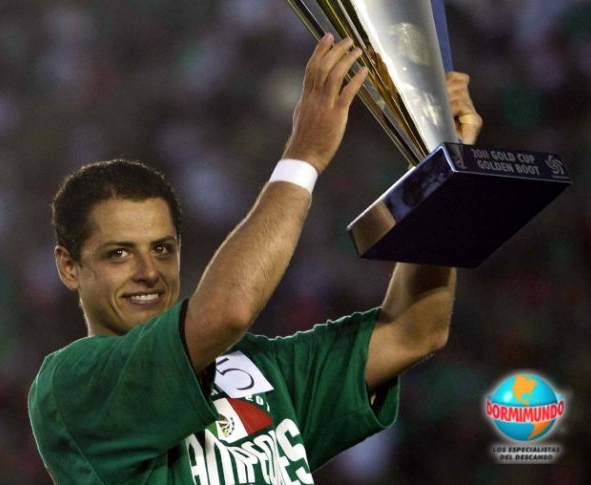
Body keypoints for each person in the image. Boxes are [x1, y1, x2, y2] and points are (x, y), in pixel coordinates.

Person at [28, 34, 482, 485]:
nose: (148, 272)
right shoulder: (73, 386)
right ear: (69, 266)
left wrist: (440, 171)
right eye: (119, 253)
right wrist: (303, 155)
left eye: (162, 249)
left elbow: (413, 332)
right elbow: (228, 311)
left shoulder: (259, 368)